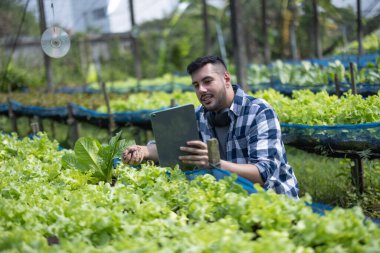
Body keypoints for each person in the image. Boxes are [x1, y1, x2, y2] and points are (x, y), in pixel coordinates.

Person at [122, 55, 299, 199]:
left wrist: (214, 163)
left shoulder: (259, 112)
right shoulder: (198, 115)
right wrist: (144, 151)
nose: (201, 90)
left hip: (274, 201)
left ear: (226, 79)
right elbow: (173, 149)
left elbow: (262, 174)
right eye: (196, 85)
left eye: (207, 81)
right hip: (232, 201)